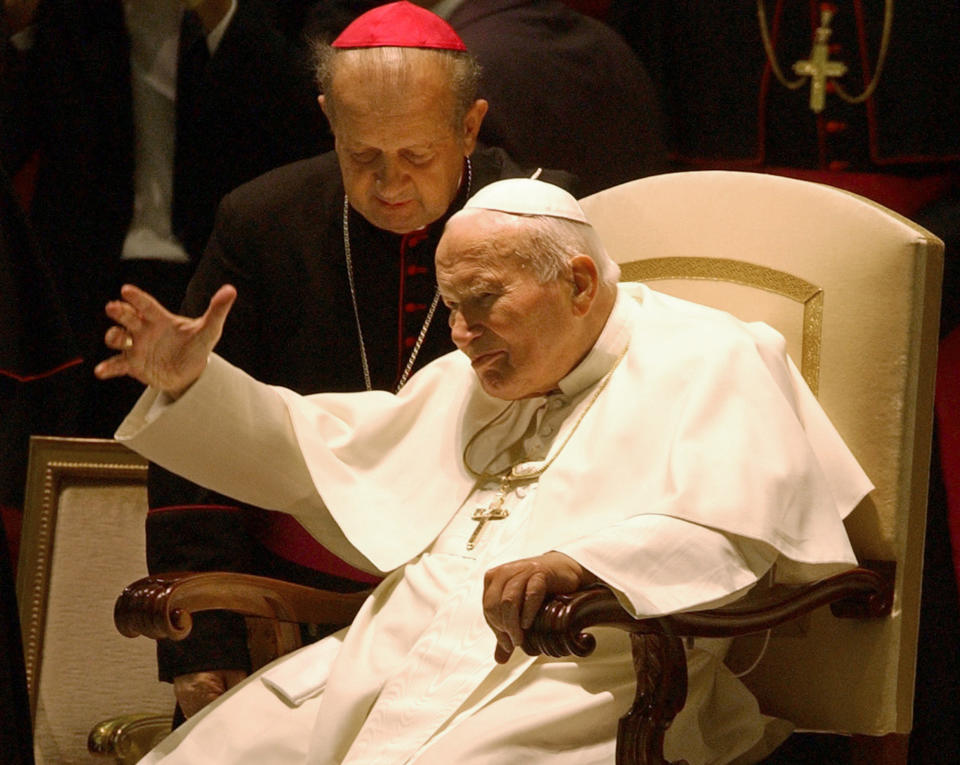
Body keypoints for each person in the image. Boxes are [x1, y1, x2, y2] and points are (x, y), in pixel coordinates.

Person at [96, 178, 871, 764]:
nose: (461, 335)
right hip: (387, 660)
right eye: (450, 306)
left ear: (578, 282)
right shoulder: (478, 370)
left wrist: (581, 562)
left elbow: (733, 534)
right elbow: (321, 443)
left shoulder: (712, 357)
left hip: (576, 682)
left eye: (485, 301)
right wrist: (191, 382)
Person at [146, 1, 576, 722]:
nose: (389, 186)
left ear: (468, 126)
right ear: (330, 121)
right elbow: (198, 457)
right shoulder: (261, 222)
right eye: (362, 157)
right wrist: (204, 646)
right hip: (289, 610)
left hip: (479, 618)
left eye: (416, 156)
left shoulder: (543, 224)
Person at [1, 0, 329, 437]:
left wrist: (219, 14)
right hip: (83, 282)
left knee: (213, 448)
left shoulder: (268, 18)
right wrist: (19, 21)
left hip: (221, 273)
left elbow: (306, 136)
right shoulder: (72, 16)